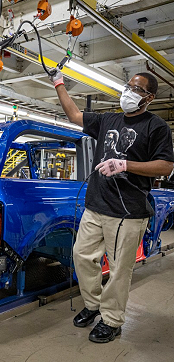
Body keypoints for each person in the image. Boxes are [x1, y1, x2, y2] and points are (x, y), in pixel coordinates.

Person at [50, 71, 174, 342]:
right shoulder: (108, 119)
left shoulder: (156, 127)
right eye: (128, 86)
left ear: (149, 97)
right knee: (82, 257)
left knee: (119, 269)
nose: (128, 92)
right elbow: (74, 115)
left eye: (136, 89)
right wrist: (58, 83)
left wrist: (125, 165)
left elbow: (166, 165)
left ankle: (112, 319)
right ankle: (93, 305)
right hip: (96, 205)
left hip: (128, 212)